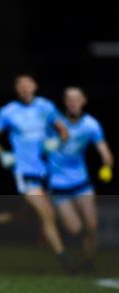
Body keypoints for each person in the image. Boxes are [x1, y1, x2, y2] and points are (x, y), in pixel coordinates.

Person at [0, 73, 74, 273]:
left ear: (35, 86)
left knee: (26, 216)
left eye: (27, 84)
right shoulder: (9, 111)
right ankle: (65, 261)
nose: (24, 88)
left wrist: (57, 142)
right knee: (48, 215)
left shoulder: (46, 107)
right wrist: (3, 154)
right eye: (20, 85)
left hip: (45, 172)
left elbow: (64, 131)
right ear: (17, 89)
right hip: (24, 172)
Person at [47, 87, 114, 272]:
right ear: (65, 102)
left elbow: (105, 152)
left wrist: (106, 165)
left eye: (76, 98)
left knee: (91, 225)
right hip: (59, 185)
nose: (73, 102)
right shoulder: (55, 123)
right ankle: (82, 254)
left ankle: (89, 262)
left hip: (81, 182)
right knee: (75, 230)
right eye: (69, 98)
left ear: (84, 100)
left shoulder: (91, 125)